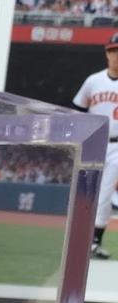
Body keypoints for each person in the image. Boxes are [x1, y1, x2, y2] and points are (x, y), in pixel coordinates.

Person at [73, 34, 118, 259]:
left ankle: (94, 243)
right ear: (107, 53)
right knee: (85, 193)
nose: (116, 55)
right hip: (92, 142)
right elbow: (77, 110)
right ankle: (78, 238)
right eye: (113, 50)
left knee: (104, 194)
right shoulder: (93, 81)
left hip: (117, 146)